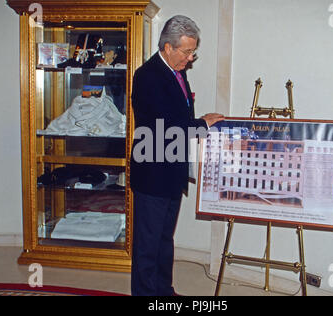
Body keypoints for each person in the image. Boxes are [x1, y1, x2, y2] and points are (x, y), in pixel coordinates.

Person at [130, 15, 224, 296]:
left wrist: (200, 126)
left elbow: (178, 114)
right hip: (153, 171)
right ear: (168, 47)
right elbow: (164, 127)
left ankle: (163, 292)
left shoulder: (177, 70)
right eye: (186, 52)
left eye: (193, 52)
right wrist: (202, 125)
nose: (191, 58)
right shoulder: (147, 76)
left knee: (164, 240)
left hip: (172, 170)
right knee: (147, 245)